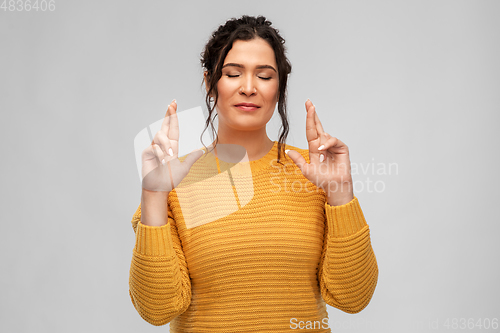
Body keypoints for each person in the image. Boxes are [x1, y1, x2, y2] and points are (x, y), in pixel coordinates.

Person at [129, 15, 378, 333]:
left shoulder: (315, 175)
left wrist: (341, 192)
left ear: (279, 88)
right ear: (210, 83)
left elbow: (353, 298)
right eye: (233, 74)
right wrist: (153, 194)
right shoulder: (173, 182)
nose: (248, 88)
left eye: (264, 76)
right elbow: (157, 309)